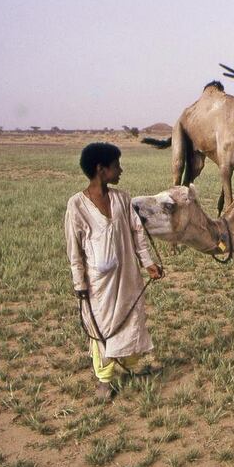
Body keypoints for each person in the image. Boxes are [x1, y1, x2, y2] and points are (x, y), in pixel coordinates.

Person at [64, 143, 163, 401]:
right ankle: (104, 381)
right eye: (116, 165)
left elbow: (137, 233)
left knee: (130, 321)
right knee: (100, 330)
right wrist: (80, 285)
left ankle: (130, 366)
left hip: (128, 276)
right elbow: (74, 250)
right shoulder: (76, 205)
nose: (121, 170)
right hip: (98, 283)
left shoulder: (122, 198)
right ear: (101, 169)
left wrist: (148, 263)